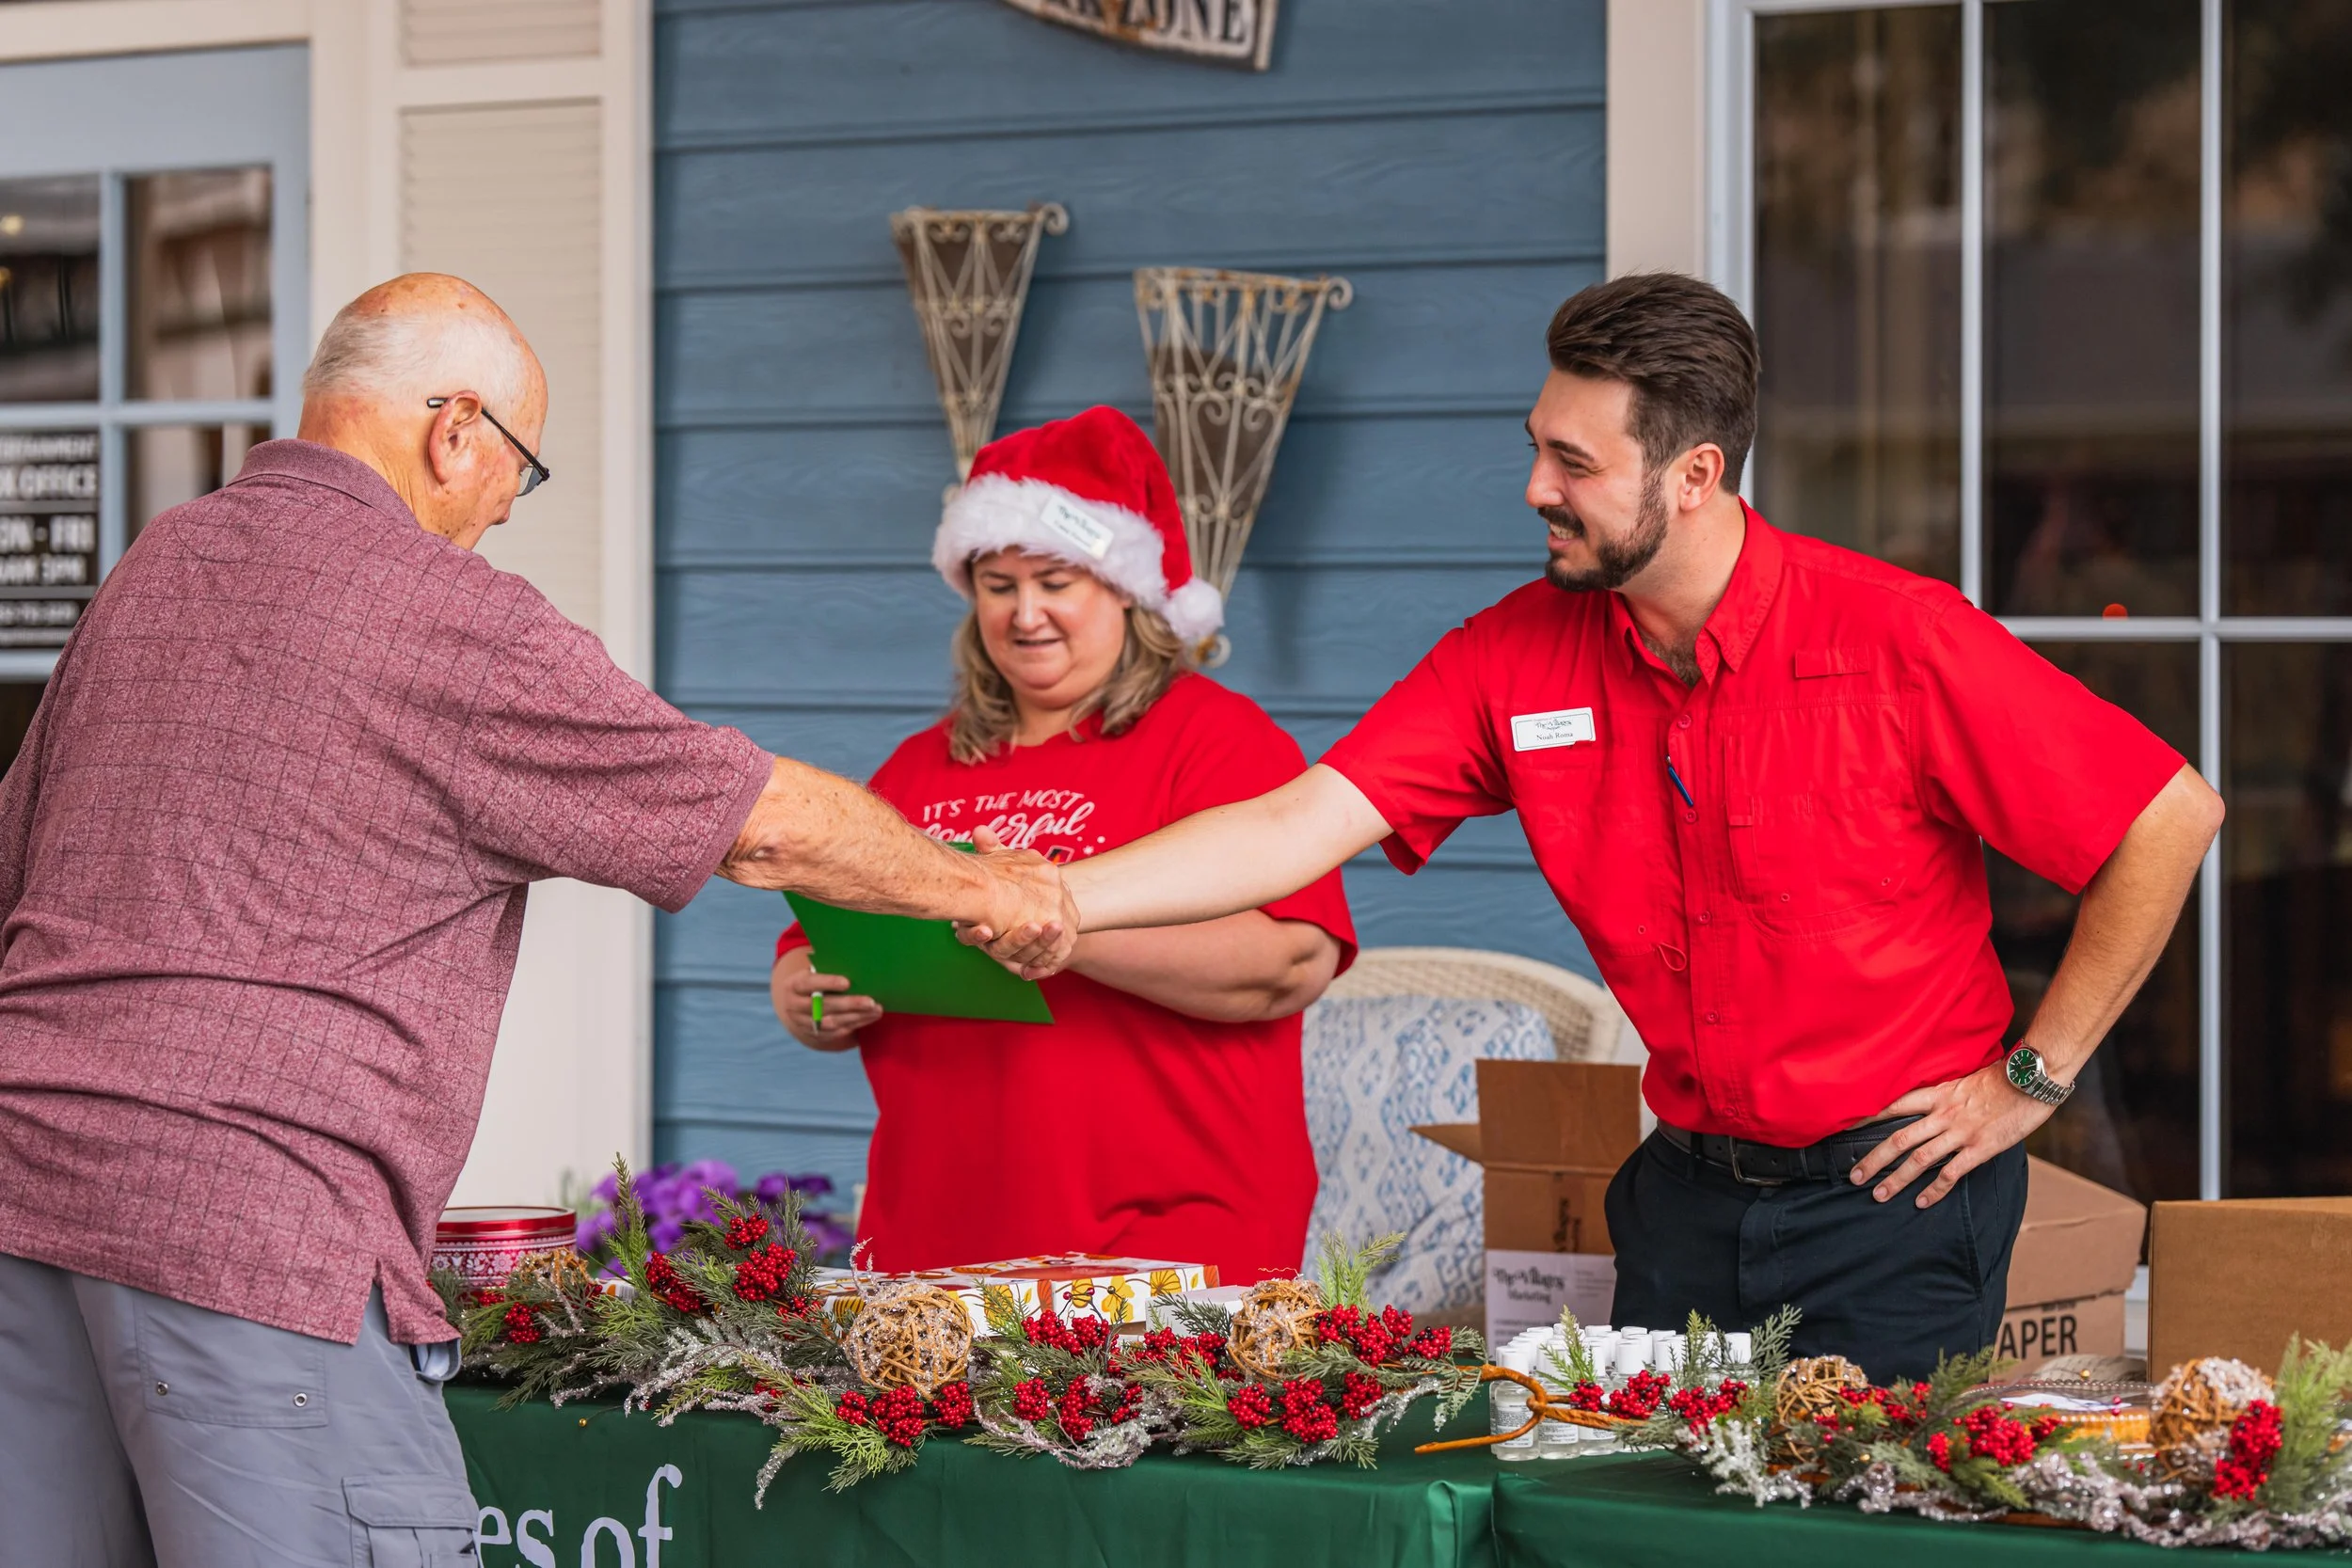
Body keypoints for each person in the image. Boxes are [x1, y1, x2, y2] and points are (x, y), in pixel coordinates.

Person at [980, 275, 2224, 1382]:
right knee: (1635, 1522)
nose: (1536, 488)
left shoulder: (1898, 638)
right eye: (1537, 448)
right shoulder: (1514, 653)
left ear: (1694, 476)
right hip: (1682, 1191)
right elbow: (1301, 820)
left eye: (1574, 462)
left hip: (1892, 1198)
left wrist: (2032, 1078)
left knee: (1853, 1534)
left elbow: (2168, 814)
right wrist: (1064, 897)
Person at [0, 274, 1066, 1566]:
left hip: (23, 1199)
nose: (506, 505)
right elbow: (757, 818)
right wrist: (990, 885)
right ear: (453, 430)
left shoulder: (157, 564)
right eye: (516, 466)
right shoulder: (451, 617)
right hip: (255, 1235)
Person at [772, 406, 1353, 1282]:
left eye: (1056, 580)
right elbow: (811, 958)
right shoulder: (921, 765)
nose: (1026, 613)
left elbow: (1287, 965)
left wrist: (1056, 925)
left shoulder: (1217, 740)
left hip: (1167, 1244)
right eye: (999, 585)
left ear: (1124, 588)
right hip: (937, 1241)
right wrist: (808, 998)